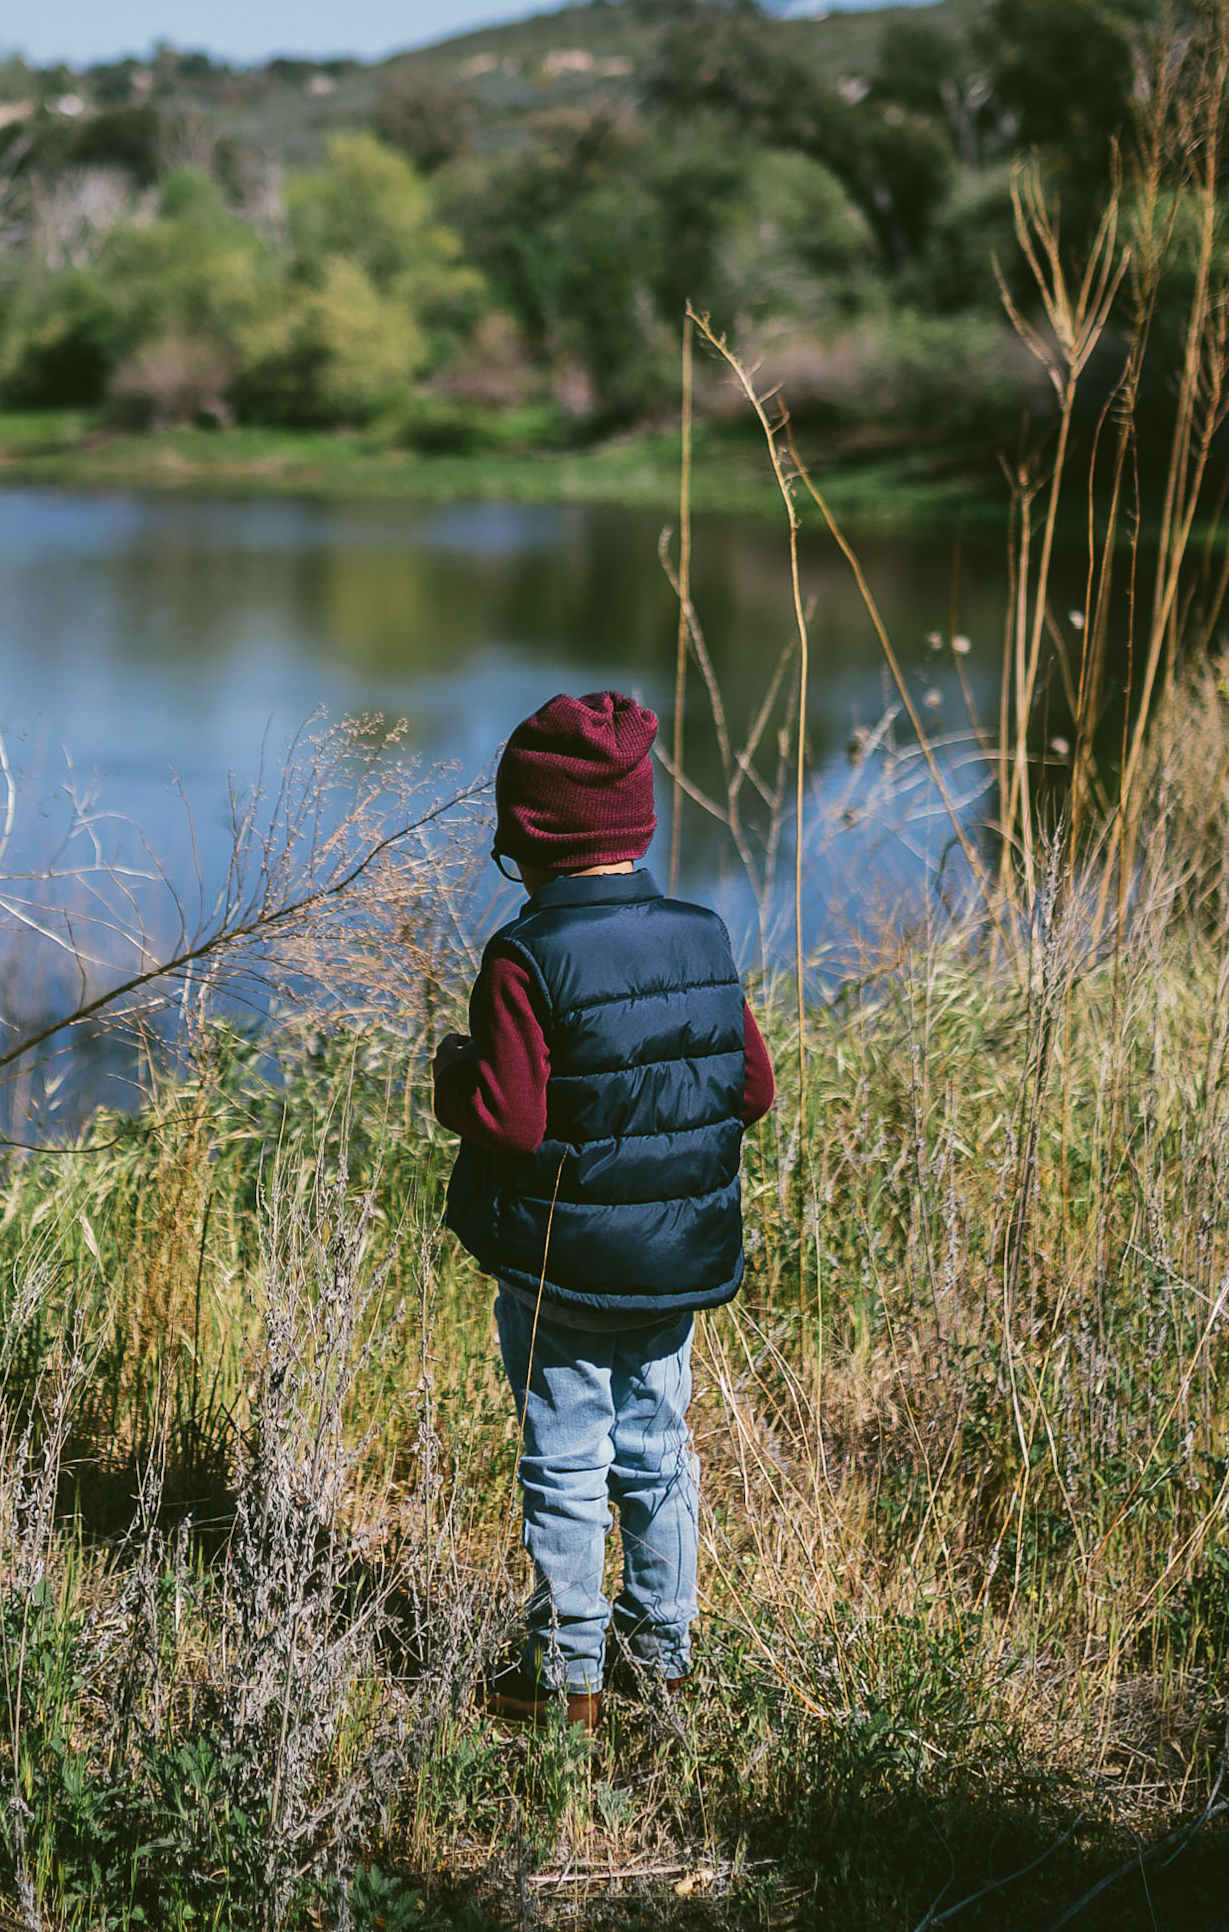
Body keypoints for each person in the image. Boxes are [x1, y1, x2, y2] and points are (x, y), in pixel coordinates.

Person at [431, 690, 774, 1729]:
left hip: (562, 1264)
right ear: (638, 824)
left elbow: (511, 1121)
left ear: (527, 838)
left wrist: (452, 1073)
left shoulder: (524, 957)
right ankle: (663, 1661)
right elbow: (752, 1088)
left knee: (567, 1457)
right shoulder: (703, 934)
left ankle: (567, 1679)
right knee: (658, 1448)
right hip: (676, 1260)